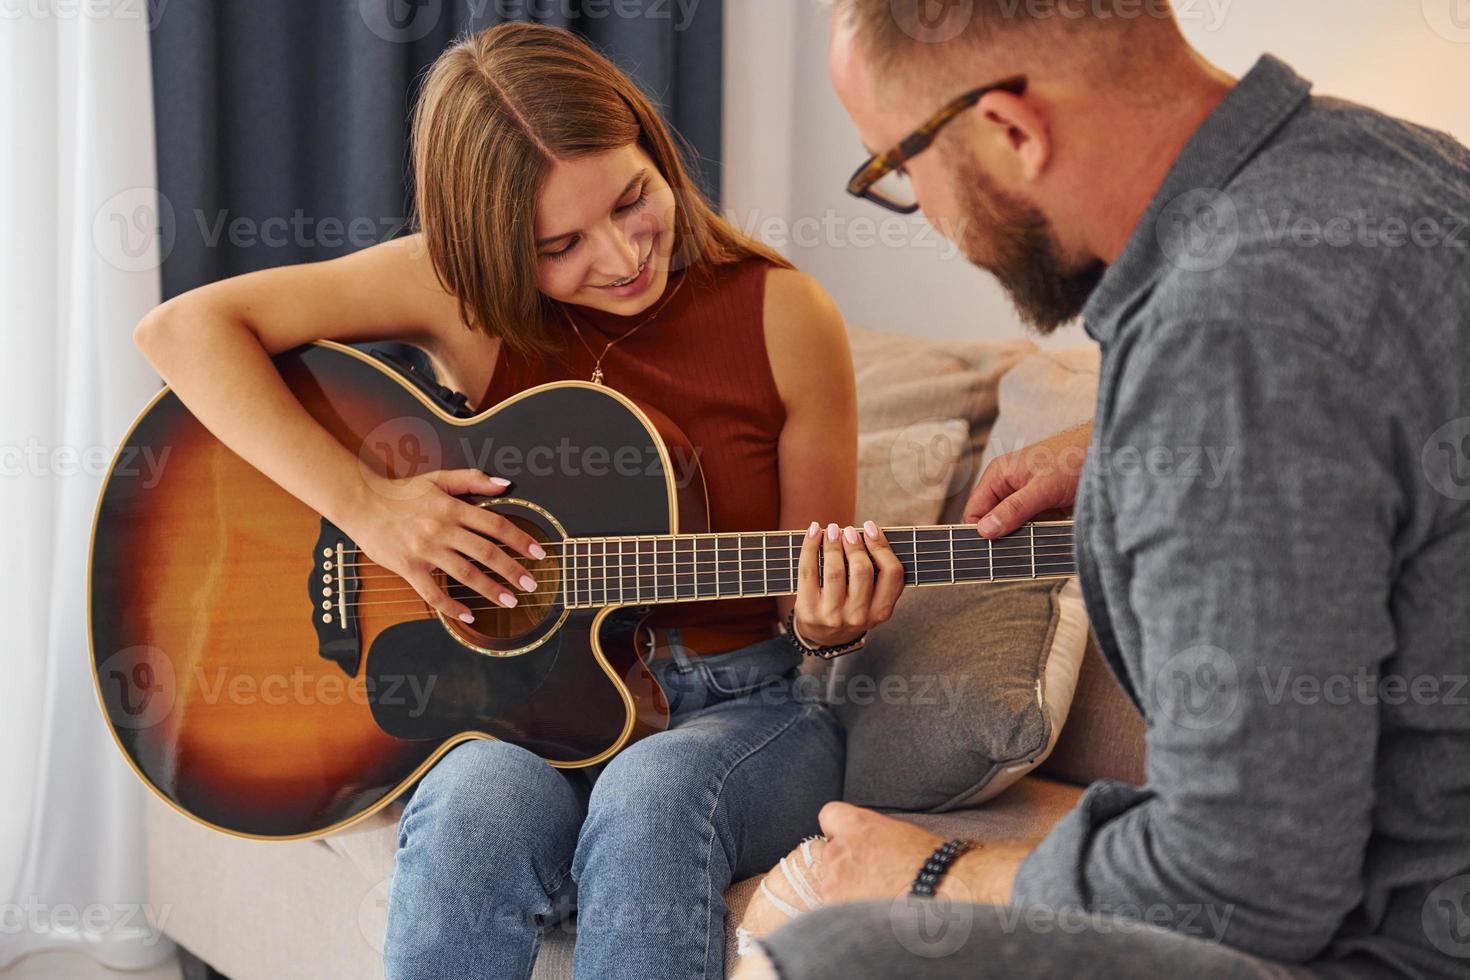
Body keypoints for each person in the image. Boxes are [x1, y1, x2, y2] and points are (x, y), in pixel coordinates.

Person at [133, 22, 906, 980]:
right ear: (490, 249)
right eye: (560, 245)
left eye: (634, 199)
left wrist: (833, 623)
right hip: (523, 706)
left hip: (738, 710)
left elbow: (806, 602)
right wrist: (372, 507)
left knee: (652, 797)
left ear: (657, 151)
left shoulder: (785, 314)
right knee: (469, 810)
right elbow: (185, 330)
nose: (623, 256)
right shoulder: (456, 293)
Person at [734, 2, 1470, 979]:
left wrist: (932, 868)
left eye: (900, 170)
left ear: (1010, 129)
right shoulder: (1400, 168)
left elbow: (1237, 883)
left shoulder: (1227, 342)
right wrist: (1136, 445)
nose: (932, 214)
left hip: (1400, 949)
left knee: (833, 951)